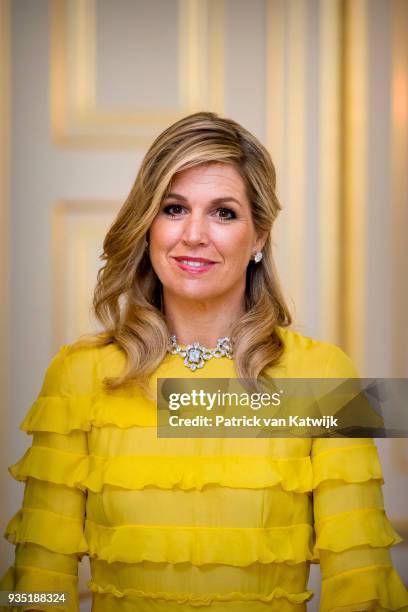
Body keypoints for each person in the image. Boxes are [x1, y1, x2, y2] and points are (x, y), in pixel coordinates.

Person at [1, 111, 408, 612]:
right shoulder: (79, 376)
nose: (193, 235)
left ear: (258, 236)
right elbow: (36, 586)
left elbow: (363, 590)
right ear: (147, 224)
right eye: (174, 208)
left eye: (224, 213)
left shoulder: (327, 378)